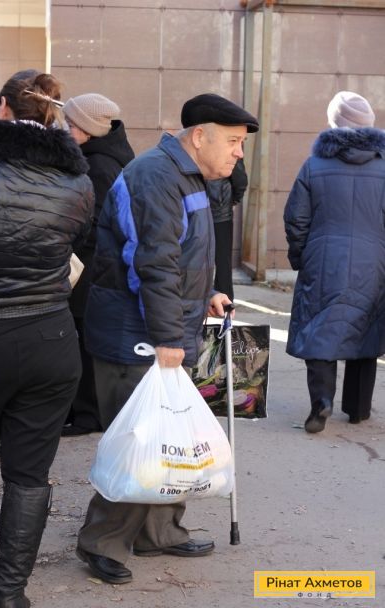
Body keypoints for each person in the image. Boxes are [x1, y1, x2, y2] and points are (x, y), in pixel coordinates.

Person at [76, 93, 259, 584]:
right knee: (139, 440)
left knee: (169, 437)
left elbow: (182, 255)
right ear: (199, 137)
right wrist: (168, 336)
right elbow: (152, 263)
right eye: (234, 142)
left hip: (162, 327)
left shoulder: (188, 176)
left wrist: (208, 293)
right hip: (135, 333)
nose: (239, 152)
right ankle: (102, 541)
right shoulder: (156, 176)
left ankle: (159, 532)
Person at [0, 72, 94, 607]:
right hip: (50, 338)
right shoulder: (77, 180)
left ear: (2, 107)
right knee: (29, 475)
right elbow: (81, 245)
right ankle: (10, 595)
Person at [284, 90, 385, 434]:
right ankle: (357, 409)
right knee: (366, 327)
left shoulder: (314, 165)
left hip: (323, 260)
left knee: (320, 328)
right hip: (374, 262)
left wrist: (300, 255)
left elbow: (296, 219)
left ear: (333, 124)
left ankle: (321, 403)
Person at [62, 93, 135, 436]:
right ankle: (84, 410)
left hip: (92, 266)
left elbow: (99, 221)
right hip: (96, 265)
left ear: (87, 128)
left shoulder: (100, 165)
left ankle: (88, 414)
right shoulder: (106, 157)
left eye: (70, 124)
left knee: (84, 338)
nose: (66, 130)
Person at [207, 158, 248, 300]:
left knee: (193, 255)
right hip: (221, 210)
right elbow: (240, 180)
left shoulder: (194, 147)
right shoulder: (230, 149)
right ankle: (225, 302)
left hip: (196, 208)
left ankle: (194, 299)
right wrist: (234, 199)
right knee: (223, 260)